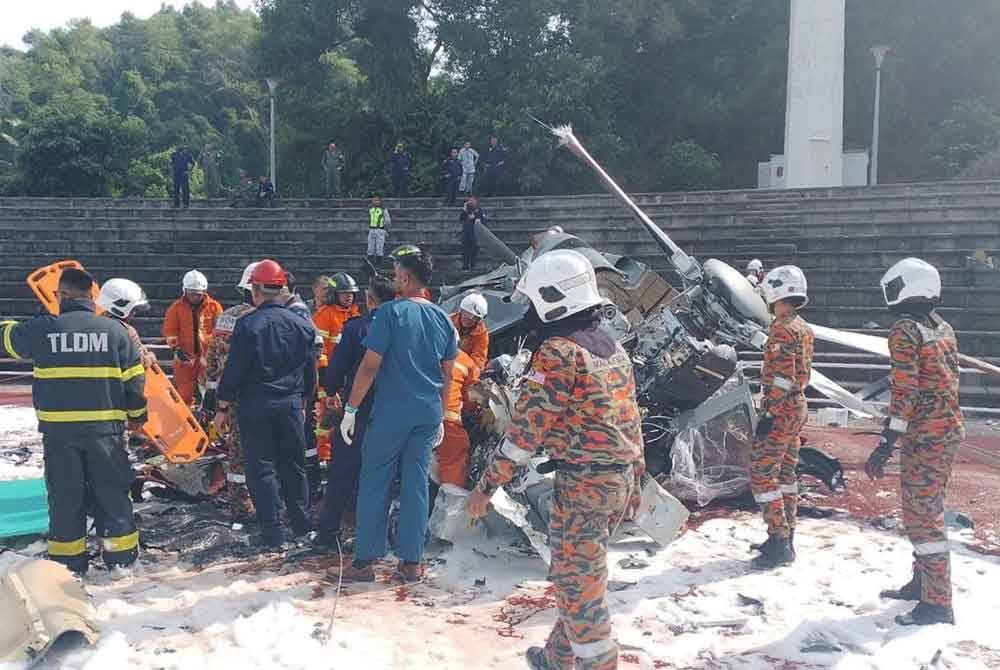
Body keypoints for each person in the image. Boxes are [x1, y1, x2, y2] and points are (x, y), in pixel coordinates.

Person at [464, 249, 644, 670]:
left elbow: (526, 432)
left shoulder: (561, 352)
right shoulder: (612, 347)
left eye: (532, 302)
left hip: (584, 487)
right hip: (617, 482)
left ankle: (599, 662)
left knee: (579, 587)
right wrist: (637, 479)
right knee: (578, 576)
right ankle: (557, 658)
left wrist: (486, 487)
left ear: (553, 297)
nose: (528, 311)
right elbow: (630, 417)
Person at [1, 269, 147, 575]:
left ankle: (69, 564)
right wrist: (137, 419)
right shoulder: (117, 332)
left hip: (59, 434)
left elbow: (9, 339)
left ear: (61, 296)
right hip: (106, 433)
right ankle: (121, 560)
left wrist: (39, 316)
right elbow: (134, 385)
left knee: (66, 496)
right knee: (112, 493)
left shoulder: (43, 330)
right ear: (92, 296)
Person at [335, 244, 457, 583]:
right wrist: (443, 415)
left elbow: (370, 366)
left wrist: (350, 409)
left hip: (392, 411)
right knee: (416, 483)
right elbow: (448, 373)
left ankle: (365, 562)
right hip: (428, 412)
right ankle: (411, 563)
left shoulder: (390, 313)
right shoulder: (443, 317)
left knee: (375, 479)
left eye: (395, 275)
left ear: (404, 277)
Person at [864, 258, 964, 627]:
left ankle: (938, 603)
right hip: (946, 429)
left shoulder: (904, 329)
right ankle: (923, 583)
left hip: (926, 435)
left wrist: (886, 442)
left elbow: (905, 390)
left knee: (923, 517)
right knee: (926, 508)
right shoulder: (942, 326)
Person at [213, 259, 317, 550]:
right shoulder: (301, 323)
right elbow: (310, 370)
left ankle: (272, 535)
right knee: (294, 466)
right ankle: (301, 525)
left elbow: (235, 370)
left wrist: (222, 408)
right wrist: (306, 400)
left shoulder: (248, 324)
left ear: (256, 289)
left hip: (255, 406)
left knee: (261, 469)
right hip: (291, 405)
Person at [314, 276, 396, 550]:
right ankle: (378, 536)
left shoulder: (357, 329)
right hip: (395, 414)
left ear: (370, 300)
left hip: (358, 413)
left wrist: (332, 390)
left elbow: (336, 370)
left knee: (342, 473)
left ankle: (328, 533)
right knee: (385, 477)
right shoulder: (406, 327)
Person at [749, 265, 814, 570]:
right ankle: (786, 536)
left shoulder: (781, 328)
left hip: (783, 407)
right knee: (786, 475)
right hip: (798, 406)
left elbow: (783, 378)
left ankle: (779, 539)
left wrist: (770, 411)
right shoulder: (802, 326)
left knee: (763, 474)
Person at [203, 263, 258, 520]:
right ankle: (266, 501)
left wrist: (212, 392)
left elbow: (213, 356)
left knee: (237, 452)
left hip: (229, 395)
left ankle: (241, 505)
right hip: (260, 394)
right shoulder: (264, 317)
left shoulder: (226, 316)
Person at [312, 273, 361, 461]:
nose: (349, 296)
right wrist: (326, 381)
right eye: (344, 293)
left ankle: (339, 457)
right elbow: (319, 350)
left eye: (351, 293)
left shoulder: (355, 315)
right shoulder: (324, 315)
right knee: (325, 421)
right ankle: (323, 458)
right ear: (334, 294)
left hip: (349, 378)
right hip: (328, 379)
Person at [162, 270, 223, 406]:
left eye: (198, 293)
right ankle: (185, 421)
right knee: (183, 394)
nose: (195, 296)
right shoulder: (175, 308)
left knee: (211, 392)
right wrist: (177, 349)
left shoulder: (214, 307)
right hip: (185, 359)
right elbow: (170, 331)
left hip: (208, 358)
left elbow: (220, 331)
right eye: (192, 293)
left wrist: (214, 353)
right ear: (185, 290)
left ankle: (209, 419)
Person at [429, 347, 480, 499]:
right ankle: (449, 504)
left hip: (408, 415)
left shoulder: (419, 348)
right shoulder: (465, 361)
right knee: (455, 455)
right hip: (445, 420)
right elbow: (472, 397)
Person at [96, 278, 156, 369]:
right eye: (133, 310)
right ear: (121, 306)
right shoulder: (127, 331)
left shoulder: (91, 325)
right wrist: (150, 358)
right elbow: (138, 363)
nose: (134, 314)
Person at [451, 292, 489, 372]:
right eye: (467, 314)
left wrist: (472, 373)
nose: (469, 320)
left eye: (474, 318)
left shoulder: (481, 334)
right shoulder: (448, 322)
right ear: (461, 311)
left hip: (462, 369)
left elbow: (478, 360)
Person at [459, 196, 486, 271]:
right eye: (470, 201)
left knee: (474, 250)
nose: (471, 202)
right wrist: (464, 209)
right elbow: (461, 218)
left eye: (473, 201)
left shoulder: (479, 210)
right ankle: (465, 266)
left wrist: (474, 218)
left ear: (476, 202)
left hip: (475, 234)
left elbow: (482, 221)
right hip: (466, 234)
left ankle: (473, 265)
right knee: (465, 250)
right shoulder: (466, 210)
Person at [366, 195, 392, 264]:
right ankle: (370, 263)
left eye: (377, 200)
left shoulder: (383, 210)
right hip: (371, 230)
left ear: (380, 201)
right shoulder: (370, 209)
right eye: (374, 200)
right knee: (370, 247)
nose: (375, 202)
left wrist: (386, 230)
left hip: (380, 230)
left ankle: (378, 263)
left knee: (379, 247)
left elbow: (387, 221)